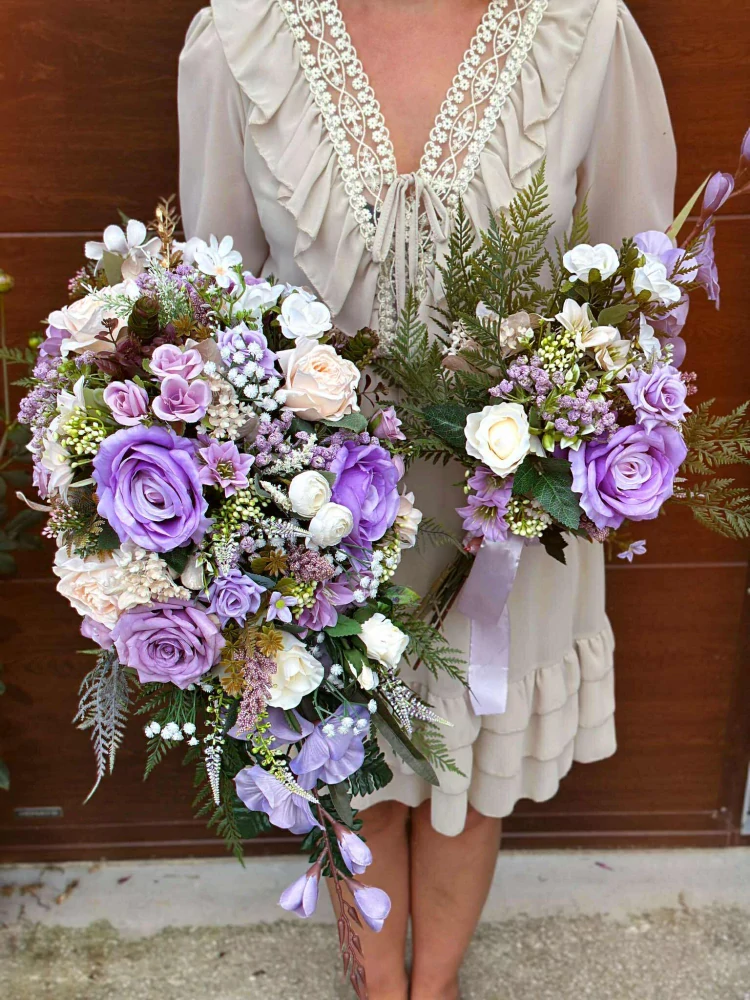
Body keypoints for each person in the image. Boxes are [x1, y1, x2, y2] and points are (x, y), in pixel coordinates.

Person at [178, 2, 676, 996]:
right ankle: (378, 989)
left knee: (469, 770)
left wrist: (583, 419)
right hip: (315, 519)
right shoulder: (240, 36)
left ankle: (435, 985)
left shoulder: (583, 29)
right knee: (346, 761)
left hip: (507, 520)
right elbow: (211, 294)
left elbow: (642, 281)